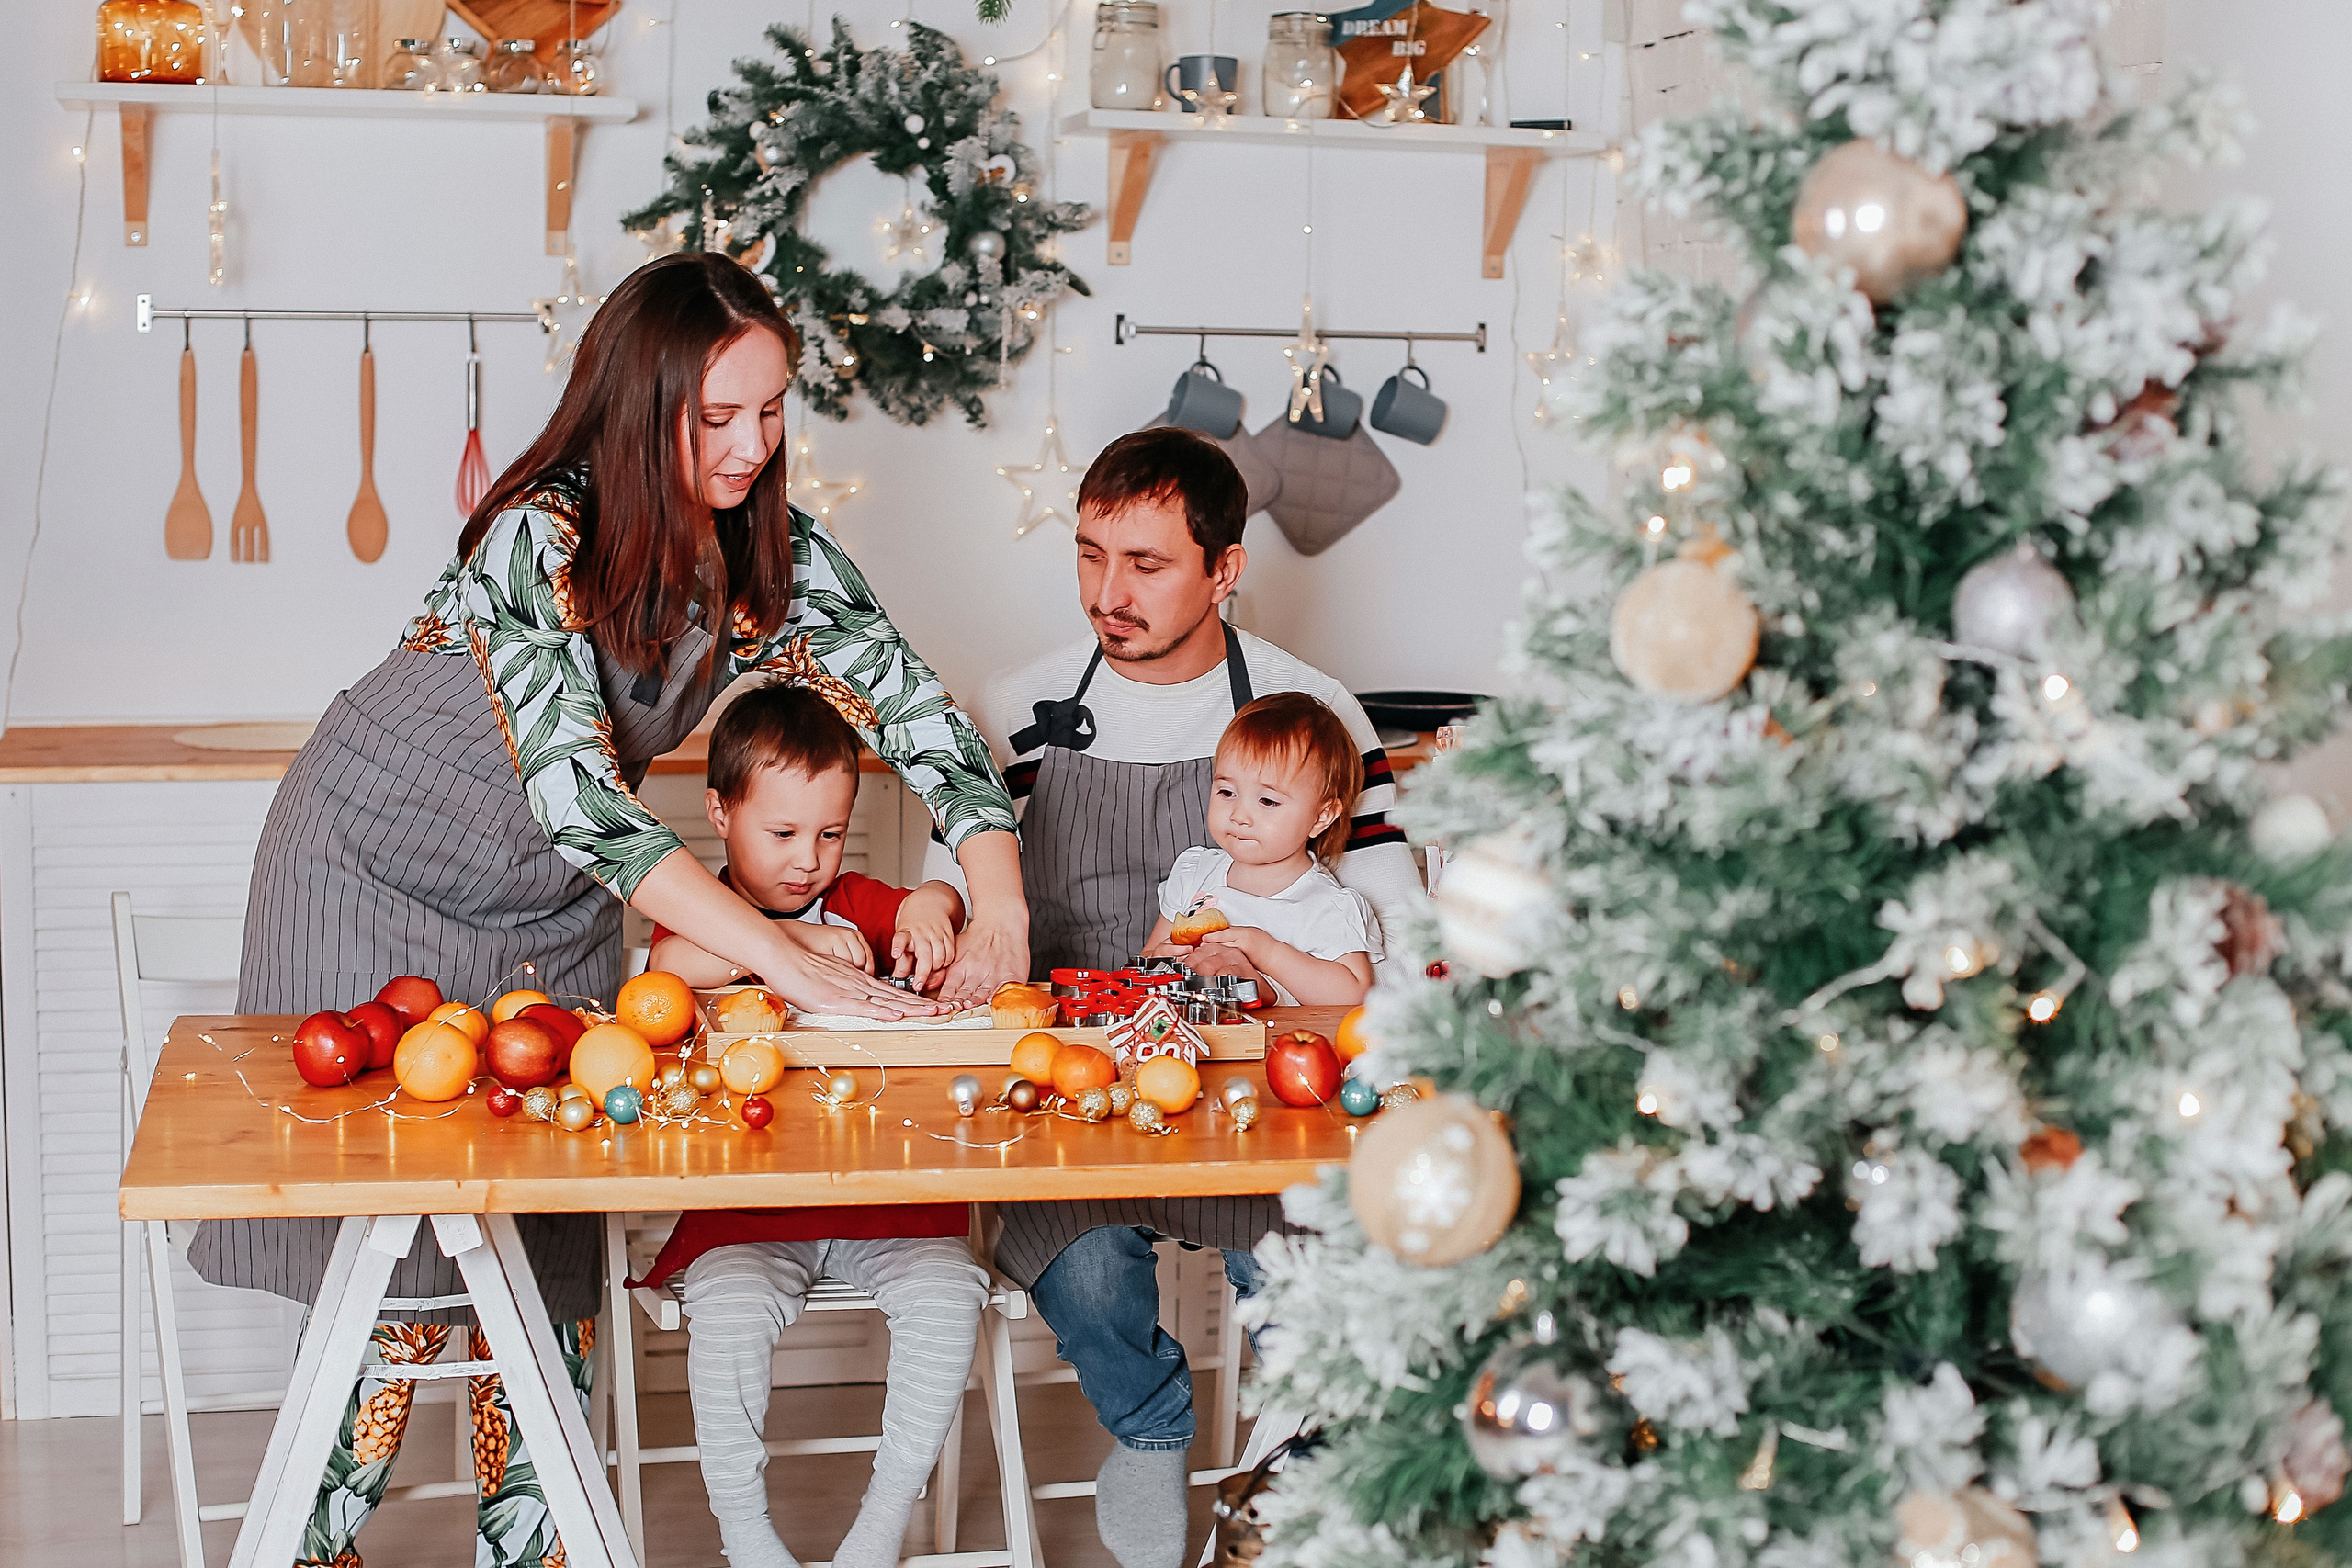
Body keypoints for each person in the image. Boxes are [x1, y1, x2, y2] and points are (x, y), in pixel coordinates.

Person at [189, 253, 1028, 1568]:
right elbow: (584, 800)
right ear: (643, 407)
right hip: (367, 869)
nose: (753, 445)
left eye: (770, 410)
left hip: (551, 899)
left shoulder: (773, 555)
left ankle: (538, 1550)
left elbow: (915, 707)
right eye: (718, 417)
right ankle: (310, 1546)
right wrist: (790, 966)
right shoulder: (542, 532)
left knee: (551, 1253)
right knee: (400, 1270)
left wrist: (999, 896)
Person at [922, 426, 1423, 1568]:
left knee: (1310, 1276)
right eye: (1092, 555)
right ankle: (1148, 1430)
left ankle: (1290, 1473)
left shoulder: (1311, 711)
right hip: (1074, 1085)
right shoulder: (1017, 705)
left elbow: (1392, 941)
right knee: (1091, 1275)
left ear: (1225, 569)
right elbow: (954, 890)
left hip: (1264, 1091)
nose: (1110, 591)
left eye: (1147, 564)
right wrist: (929, 915)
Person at [640, 682, 989, 1568]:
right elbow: (674, 965)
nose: (808, 860)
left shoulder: (858, 901)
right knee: (725, 1318)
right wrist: (782, 951)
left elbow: (936, 907)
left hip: (888, 1196)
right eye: (783, 833)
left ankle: (882, 1523)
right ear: (720, 812)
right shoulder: (698, 920)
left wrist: (931, 906)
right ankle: (745, 1533)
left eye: (829, 833)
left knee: (954, 1292)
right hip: (750, 1206)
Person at [1141, 693, 1377, 1007]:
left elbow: (1353, 994)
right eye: (1226, 792)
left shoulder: (1326, 905)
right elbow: (1146, 962)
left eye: (1267, 801)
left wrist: (1265, 951)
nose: (1239, 815)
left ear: (1321, 817)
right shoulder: (1194, 873)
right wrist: (1159, 960)